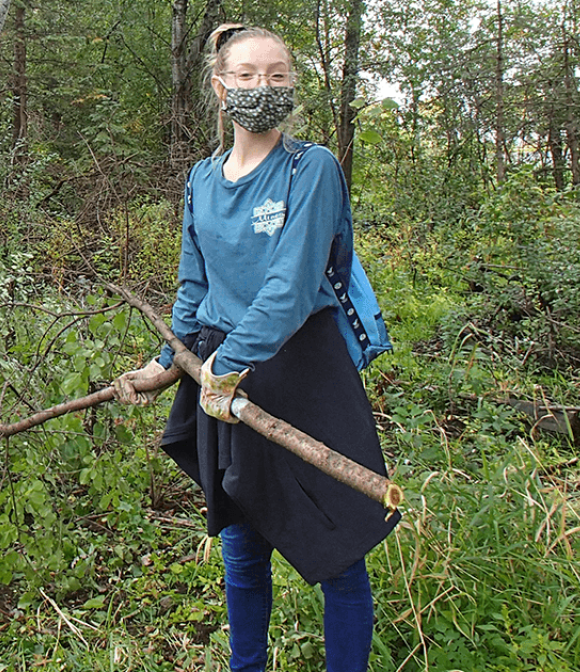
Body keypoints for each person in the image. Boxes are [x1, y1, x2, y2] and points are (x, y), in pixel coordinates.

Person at [113, 24, 399, 672]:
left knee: (340, 552)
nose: (261, 87)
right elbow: (194, 284)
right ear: (220, 87)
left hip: (301, 371)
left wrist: (228, 366)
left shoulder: (312, 168)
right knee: (241, 549)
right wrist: (166, 364)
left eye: (276, 74)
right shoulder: (202, 180)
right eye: (246, 75)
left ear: (291, 85)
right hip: (218, 370)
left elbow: (292, 284)